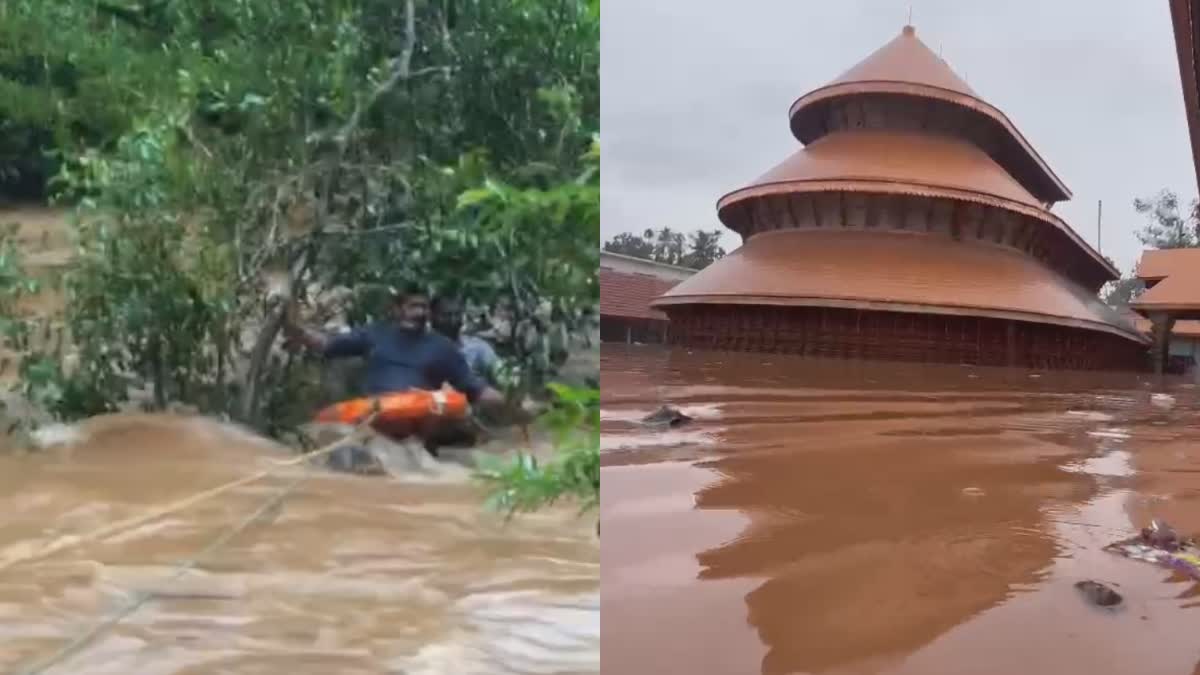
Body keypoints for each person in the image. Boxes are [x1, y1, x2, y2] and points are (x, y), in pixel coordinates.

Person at [283, 284, 512, 465]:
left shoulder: (442, 348)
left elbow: (476, 389)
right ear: (397, 309)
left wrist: (512, 406)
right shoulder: (374, 334)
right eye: (413, 306)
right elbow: (327, 345)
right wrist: (297, 330)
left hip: (419, 431)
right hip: (374, 423)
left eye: (424, 307)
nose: (420, 313)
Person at [430, 295, 500, 382]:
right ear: (432, 317)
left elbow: (500, 374)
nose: (453, 320)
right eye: (446, 315)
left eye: (457, 314)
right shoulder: (420, 348)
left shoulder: (478, 347)